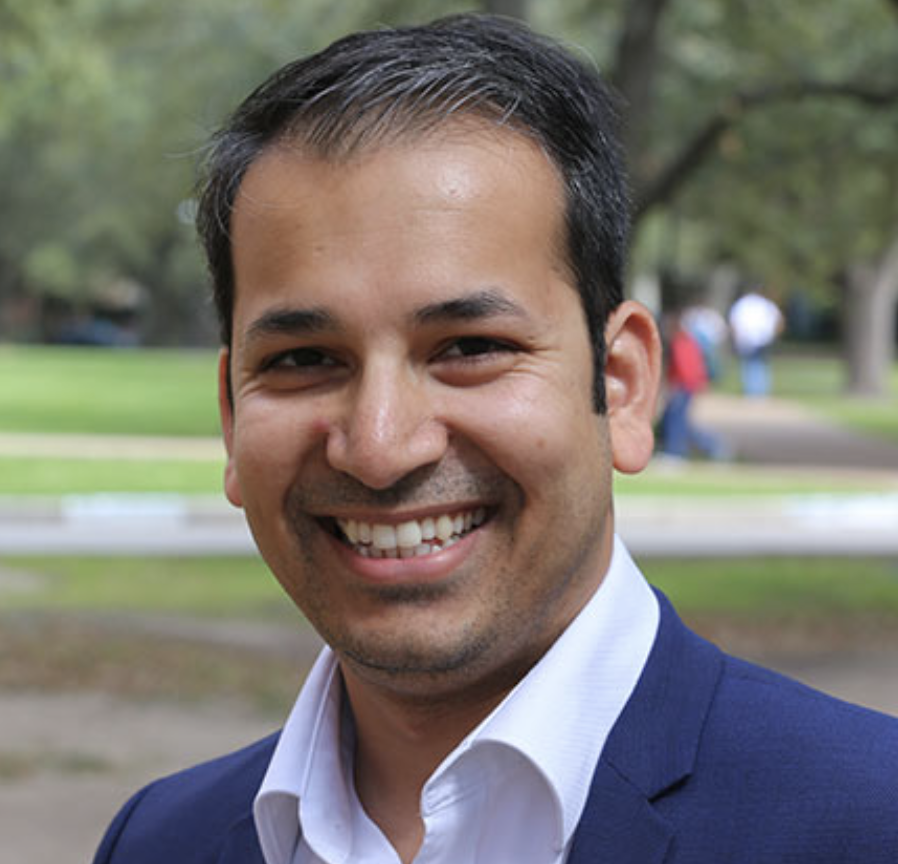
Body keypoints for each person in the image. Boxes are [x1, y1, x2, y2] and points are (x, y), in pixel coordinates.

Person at [93, 14, 898, 864]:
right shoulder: (159, 842)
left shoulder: (870, 822)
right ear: (231, 414)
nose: (379, 446)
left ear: (623, 385)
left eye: (470, 348)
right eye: (304, 359)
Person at [659, 309, 728, 461]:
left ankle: (676, 452)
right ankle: (710, 446)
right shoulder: (686, 341)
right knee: (678, 420)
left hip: (683, 387)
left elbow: (685, 367)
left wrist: (676, 386)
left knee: (677, 421)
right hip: (684, 386)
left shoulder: (681, 343)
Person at [728, 288, 785, 398]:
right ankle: (760, 391)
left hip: (747, 339)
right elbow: (779, 320)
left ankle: (752, 391)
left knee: (750, 365)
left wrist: (736, 338)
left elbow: (734, 322)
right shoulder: (766, 304)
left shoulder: (742, 304)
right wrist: (774, 335)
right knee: (760, 364)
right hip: (763, 338)